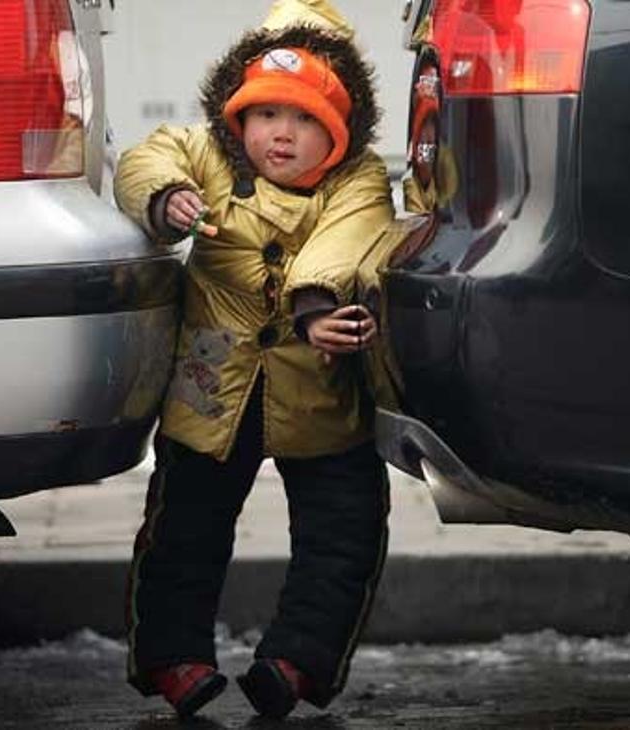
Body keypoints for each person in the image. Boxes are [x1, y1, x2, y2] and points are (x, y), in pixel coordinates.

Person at [113, 0, 394, 720]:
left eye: (305, 119)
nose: (282, 133)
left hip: (319, 379)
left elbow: (354, 234)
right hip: (216, 379)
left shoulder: (357, 178)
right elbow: (146, 158)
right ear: (237, 115)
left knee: (344, 530)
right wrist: (167, 196)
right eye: (267, 113)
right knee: (185, 527)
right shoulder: (206, 152)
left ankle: (296, 662)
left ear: (340, 130)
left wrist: (317, 310)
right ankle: (174, 657)